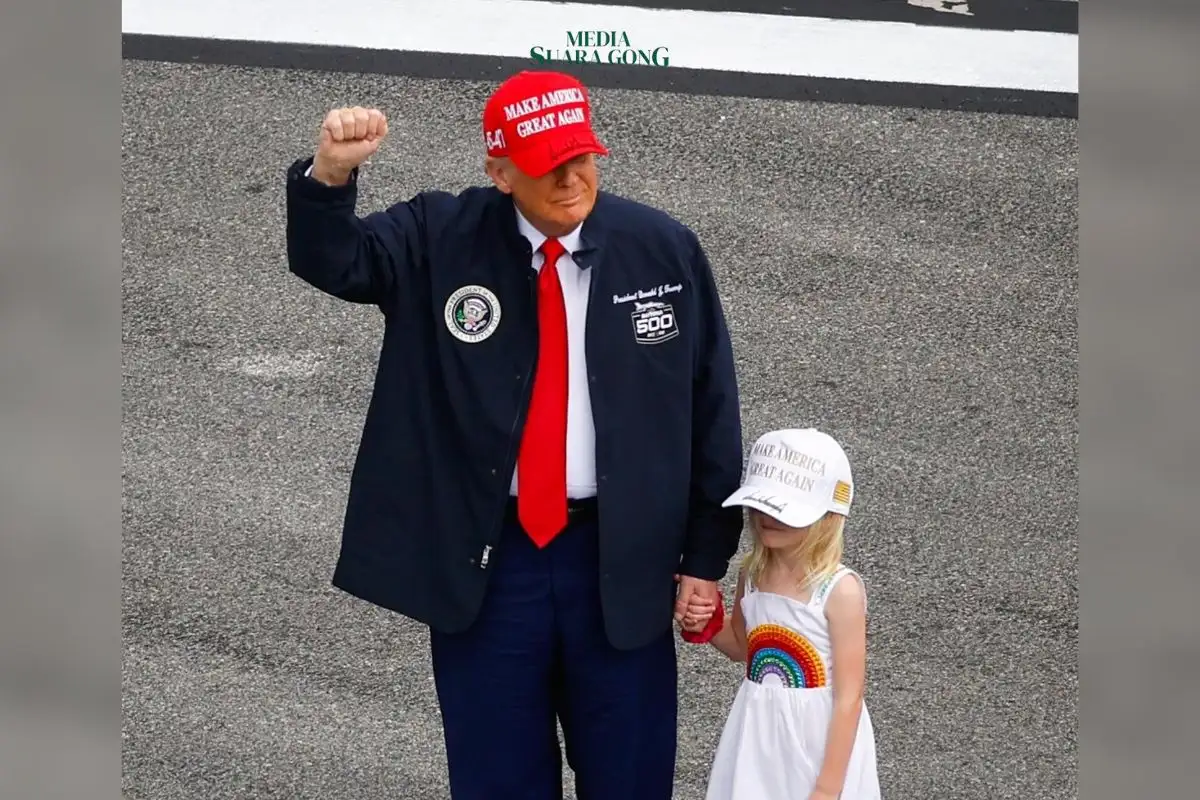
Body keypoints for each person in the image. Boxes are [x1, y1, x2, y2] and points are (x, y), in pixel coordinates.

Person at [283, 69, 744, 799]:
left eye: (582, 158)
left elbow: (711, 403)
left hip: (621, 560)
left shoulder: (663, 250)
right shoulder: (438, 235)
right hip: (491, 566)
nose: (570, 180)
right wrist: (329, 178)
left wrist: (706, 553)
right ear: (498, 172)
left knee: (631, 779)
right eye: (546, 166)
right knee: (498, 781)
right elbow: (335, 261)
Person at [681, 428, 882, 800]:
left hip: (817, 743)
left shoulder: (840, 590)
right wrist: (705, 623)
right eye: (759, 506)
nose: (765, 519)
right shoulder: (752, 574)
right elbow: (743, 646)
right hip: (757, 735)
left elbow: (849, 696)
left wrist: (827, 788)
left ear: (828, 515)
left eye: (782, 510)